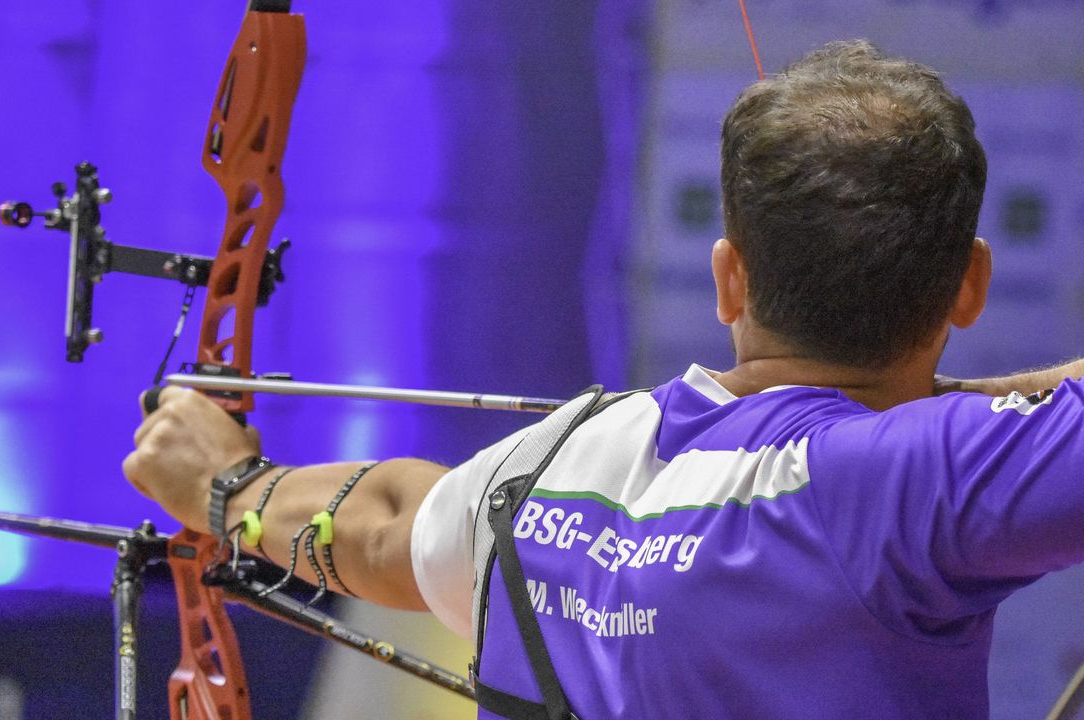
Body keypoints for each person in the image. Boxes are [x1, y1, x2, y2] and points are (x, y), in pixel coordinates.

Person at [123, 40, 1084, 718]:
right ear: (971, 288)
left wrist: (226, 486)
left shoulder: (553, 466)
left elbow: (381, 527)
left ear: (728, 277)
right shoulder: (932, 478)